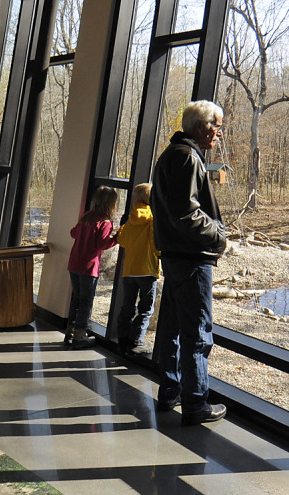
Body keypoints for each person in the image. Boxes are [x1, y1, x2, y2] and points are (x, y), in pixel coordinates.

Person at [150, 100, 228, 426]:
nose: (219, 133)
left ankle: (169, 390)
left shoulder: (169, 156)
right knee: (197, 333)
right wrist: (219, 237)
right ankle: (196, 404)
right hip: (191, 259)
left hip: (173, 257)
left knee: (170, 326)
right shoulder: (186, 158)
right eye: (216, 125)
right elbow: (187, 214)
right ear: (200, 127)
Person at [64, 186, 119, 348]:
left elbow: (73, 233)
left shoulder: (87, 217)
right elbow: (102, 243)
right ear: (111, 204)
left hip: (74, 263)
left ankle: (70, 330)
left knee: (76, 298)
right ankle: (80, 335)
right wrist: (116, 238)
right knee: (86, 301)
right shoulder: (105, 222)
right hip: (89, 266)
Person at [115, 183, 160, 356]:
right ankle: (136, 342)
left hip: (130, 269)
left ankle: (122, 341)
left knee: (127, 307)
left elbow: (122, 241)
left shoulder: (130, 218)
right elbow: (156, 244)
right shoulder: (152, 218)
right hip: (147, 269)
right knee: (146, 309)